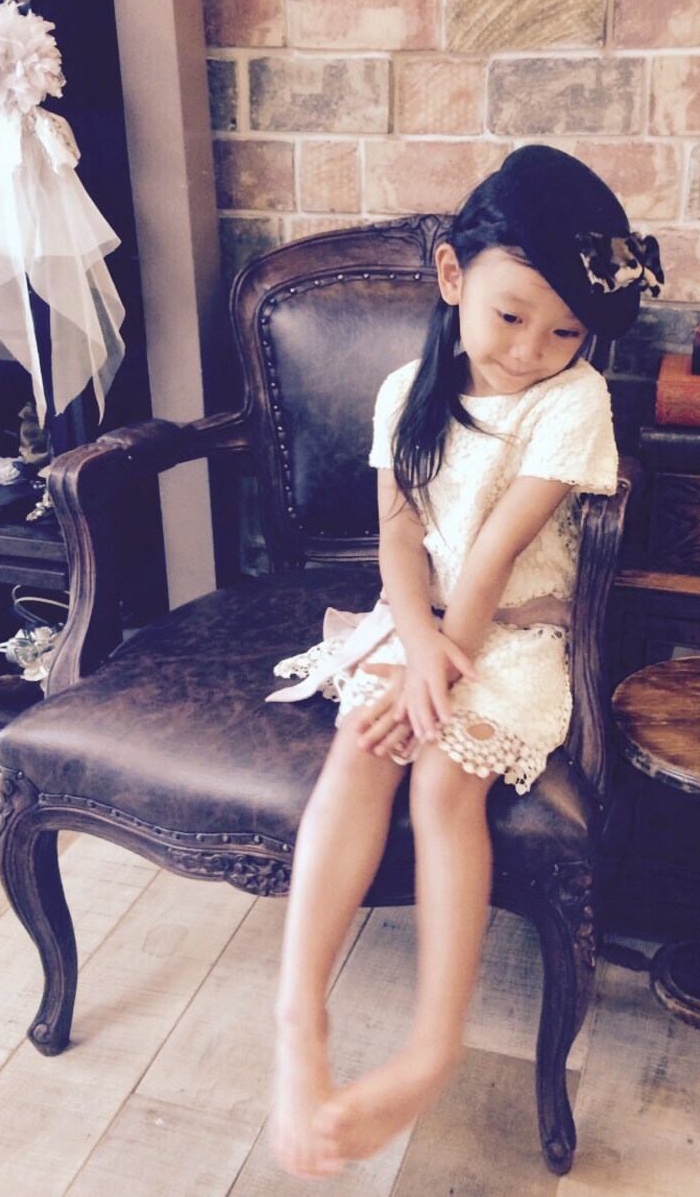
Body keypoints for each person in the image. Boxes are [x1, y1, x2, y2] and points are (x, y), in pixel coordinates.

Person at [266, 144, 663, 1177]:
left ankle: (430, 1049)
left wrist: (439, 667)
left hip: (515, 633)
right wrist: (413, 648)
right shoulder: (407, 389)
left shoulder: (574, 398)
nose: (533, 348)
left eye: (565, 329)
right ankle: (298, 1013)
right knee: (363, 744)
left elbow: (491, 555)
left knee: (445, 780)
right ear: (452, 275)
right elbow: (399, 538)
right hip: (420, 622)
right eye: (511, 315)